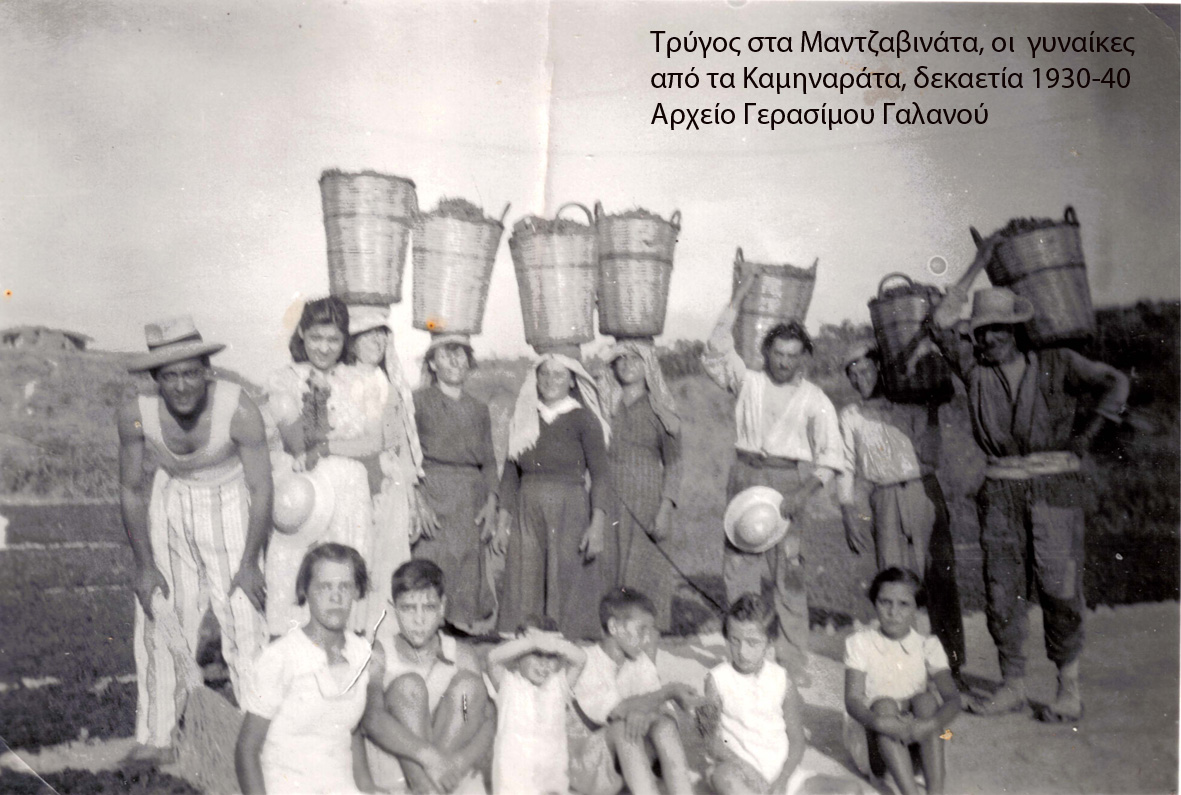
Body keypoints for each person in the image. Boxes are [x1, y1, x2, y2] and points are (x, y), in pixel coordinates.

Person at [931, 284, 1129, 721]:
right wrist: (960, 290)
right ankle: (1012, 686)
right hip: (1001, 489)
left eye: (999, 329)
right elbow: (941, 327)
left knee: (1060, 586)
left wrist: (1089, 435)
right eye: (982, 331)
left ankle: (1068, 689)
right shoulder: (974, 370)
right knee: (1001, 588)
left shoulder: (1058, 363)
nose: (989, 338)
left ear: (1017, 330)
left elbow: (1116, 382)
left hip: (1055, 486)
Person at [120, 316, 271, 762]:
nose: (182, 386)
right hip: (171, 500)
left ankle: (259, 739)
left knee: (243, 617)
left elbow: (262, 487)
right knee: (161, 614)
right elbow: (130, 489)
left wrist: (250, 563)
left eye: (190, 373)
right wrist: (144, 566)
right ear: (156, 378)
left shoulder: (238, 408)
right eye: (170, 376)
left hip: (231, 500)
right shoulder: (135, 413)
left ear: (208, 370)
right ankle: (157, 736)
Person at [701, 260, 847, 684]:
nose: (784, 363)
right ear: (765, 352)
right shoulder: (747, 381)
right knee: (740, 571)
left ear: (804, 358)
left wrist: (804, 492)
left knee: (789, 575)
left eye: (792, 356)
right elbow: (715, 348)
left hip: (788, 483)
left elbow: (831, 456)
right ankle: (746, 654)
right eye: (778, 354)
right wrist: (741, 294)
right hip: (745, 475)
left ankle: (793, 660)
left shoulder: (815, 399)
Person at [837, 342, 965, 678]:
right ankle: (902, 669)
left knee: (939, 577)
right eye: (853, 374)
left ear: (880, 368)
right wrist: (848, 508)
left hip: (923, 492)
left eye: (866, 370)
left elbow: (932, 453)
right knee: (893, 584)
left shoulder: (911, 403)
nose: (860, 379)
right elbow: (846, 464)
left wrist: (930, 409)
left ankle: (951, 668)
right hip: (884, 499)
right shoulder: (851, 416)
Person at [265, 297, 381, 636]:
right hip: (303, 489)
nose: (324, 348)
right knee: (294, 572)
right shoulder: (284, 379)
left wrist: (329, 447)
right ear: (302, 334)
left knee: (342, 575)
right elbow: (290, 437)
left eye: (333, 339)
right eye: (316, 337)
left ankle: (344, 653)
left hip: (349, 491)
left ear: (345, 340)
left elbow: (373, 441)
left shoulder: (362, 380)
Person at [236, 544, 378, 795]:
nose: (336, 597)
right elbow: (246, 749)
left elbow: (351, 730)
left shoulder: (361, 653)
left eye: (344, 587)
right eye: (324, 587)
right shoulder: (281, 657)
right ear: (305, 591)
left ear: (357, 591)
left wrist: (368, 789)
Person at [494, 353, 614, 640]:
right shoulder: (525, 416)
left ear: (573, 380)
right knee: (526, 578)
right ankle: (526, 646)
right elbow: (510, 474)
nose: (550, 380)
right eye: (544, 374)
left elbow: (600, 475)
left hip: (569, 510)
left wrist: (597, 525)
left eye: (558, 375)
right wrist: (502, 522)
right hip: (528, 510)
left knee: (566, 577)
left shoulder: (584, 419)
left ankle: (566, 645)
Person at [363, 559, 496, 794]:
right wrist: (430, 758)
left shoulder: (461, 654)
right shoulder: (380, 652)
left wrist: (460, 761)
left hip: (450, 774)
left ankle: (428, 790)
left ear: (442, 607)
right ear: (393, 609)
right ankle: (423, 786)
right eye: (408, 608)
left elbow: (487, 718)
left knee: (469, 689)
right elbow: (372, 718)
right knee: (408, 686)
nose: (419, 619)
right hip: (400, 773)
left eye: (429, 607)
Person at [843, 568, 961, 795]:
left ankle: (936, 792)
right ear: (874, 602)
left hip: (920, 738)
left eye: (904, 604)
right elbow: (852, 700)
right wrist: (879, 722)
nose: (893, 612)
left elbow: (953, 700)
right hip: (876, 743)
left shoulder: (928, 645)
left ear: (917, 607)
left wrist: (930, 725)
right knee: (884, 704)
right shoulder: (860, 643)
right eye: (885, 602)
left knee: (926, 701)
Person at [569, 588, 697, 795]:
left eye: (650, 632)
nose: (647, 640)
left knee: (663, 725)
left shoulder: (640, 661)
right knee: (623, 728)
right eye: (641, 630)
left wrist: (646, 714)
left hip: (628, 760)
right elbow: (618, 710)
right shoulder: (586, 661)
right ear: (613, 627)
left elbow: (663, 711)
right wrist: (669, 691)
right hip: (586, 766)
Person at [347, 304, 425, 634]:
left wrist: (412, 497)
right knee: (359, 555)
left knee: (390, 558)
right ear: (352, 343)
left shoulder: (391, 385)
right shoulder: (342, 381)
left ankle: (386, 633)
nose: (377, 342)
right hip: (356, 479)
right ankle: (354, 630)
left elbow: (402, 444)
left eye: (381, 336)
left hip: (391, 480)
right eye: (368, 336)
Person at [413, 333, 498, 635]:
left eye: (460, 353)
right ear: (432, 364)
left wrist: (492, 502)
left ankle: (458, 633)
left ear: (469, 362)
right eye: (445, 354)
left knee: (466, 567)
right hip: (432, 493)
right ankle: (423, 628)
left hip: (470, 498)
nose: (454, 360)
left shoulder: (479, 408)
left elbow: (489, 460)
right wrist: (417, 501)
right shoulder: (417, 402)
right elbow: (405, 456)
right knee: (429, 562)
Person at [597, 340, 683, 633]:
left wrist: (666, 509)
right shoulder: (605, 407)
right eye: (620, 359)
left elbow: (674, 464)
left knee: (645, 574)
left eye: (635, 359)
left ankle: (646, 648)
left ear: (649, 366)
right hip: (609, 499)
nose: (627, 364)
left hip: (647, 500)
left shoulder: (661, 410)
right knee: (607, 571)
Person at [699, 593, 807, 795]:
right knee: (724, 778)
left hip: (780, 773)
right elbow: (710, 740)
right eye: (734, 640)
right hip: (738, 771)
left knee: (850, 790)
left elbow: (797, 739)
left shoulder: (782, 679)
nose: (742, 651)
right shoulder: (716, 680)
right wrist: (748, 771)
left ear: (769, 642)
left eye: (752, 642)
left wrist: (783, 778)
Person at [486, 614, 588, 794]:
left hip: (552, 784)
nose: (544, 663)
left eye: (551, 657)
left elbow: (581, 659)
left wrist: (553, 643)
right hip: (513, 786)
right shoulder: (509, 685)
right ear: (518, 656)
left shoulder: (558, 686)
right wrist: (533, 642)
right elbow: (493, 657)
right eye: (537, 654)